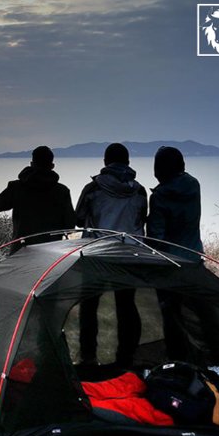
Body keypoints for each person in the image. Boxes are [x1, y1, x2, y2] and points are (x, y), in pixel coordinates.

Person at [74, 143, 147, 367]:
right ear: (128, 162)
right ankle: (126, 358)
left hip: (97, 253)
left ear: (105, 162)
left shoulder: (93, 188)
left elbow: (79, 218)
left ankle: (88, 358)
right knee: (126, 306)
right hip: (129, 254)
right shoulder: (140, 191)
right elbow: (141, 220)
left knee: (89, 305)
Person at [146, 146, 204, 361]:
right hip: (194, 258)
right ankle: (200, 356)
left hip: (169, 263)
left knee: (171, 314)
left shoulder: (160, 196)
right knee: (195, 314)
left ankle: (176, 359)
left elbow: (156, 237)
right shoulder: (194, 185)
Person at [0, 146, 75, 253]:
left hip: (21, 249)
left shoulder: (16, 187)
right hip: (51, 251)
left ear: (32, 164)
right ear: (52, 166)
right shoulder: (62, 191)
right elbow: (70, 226)